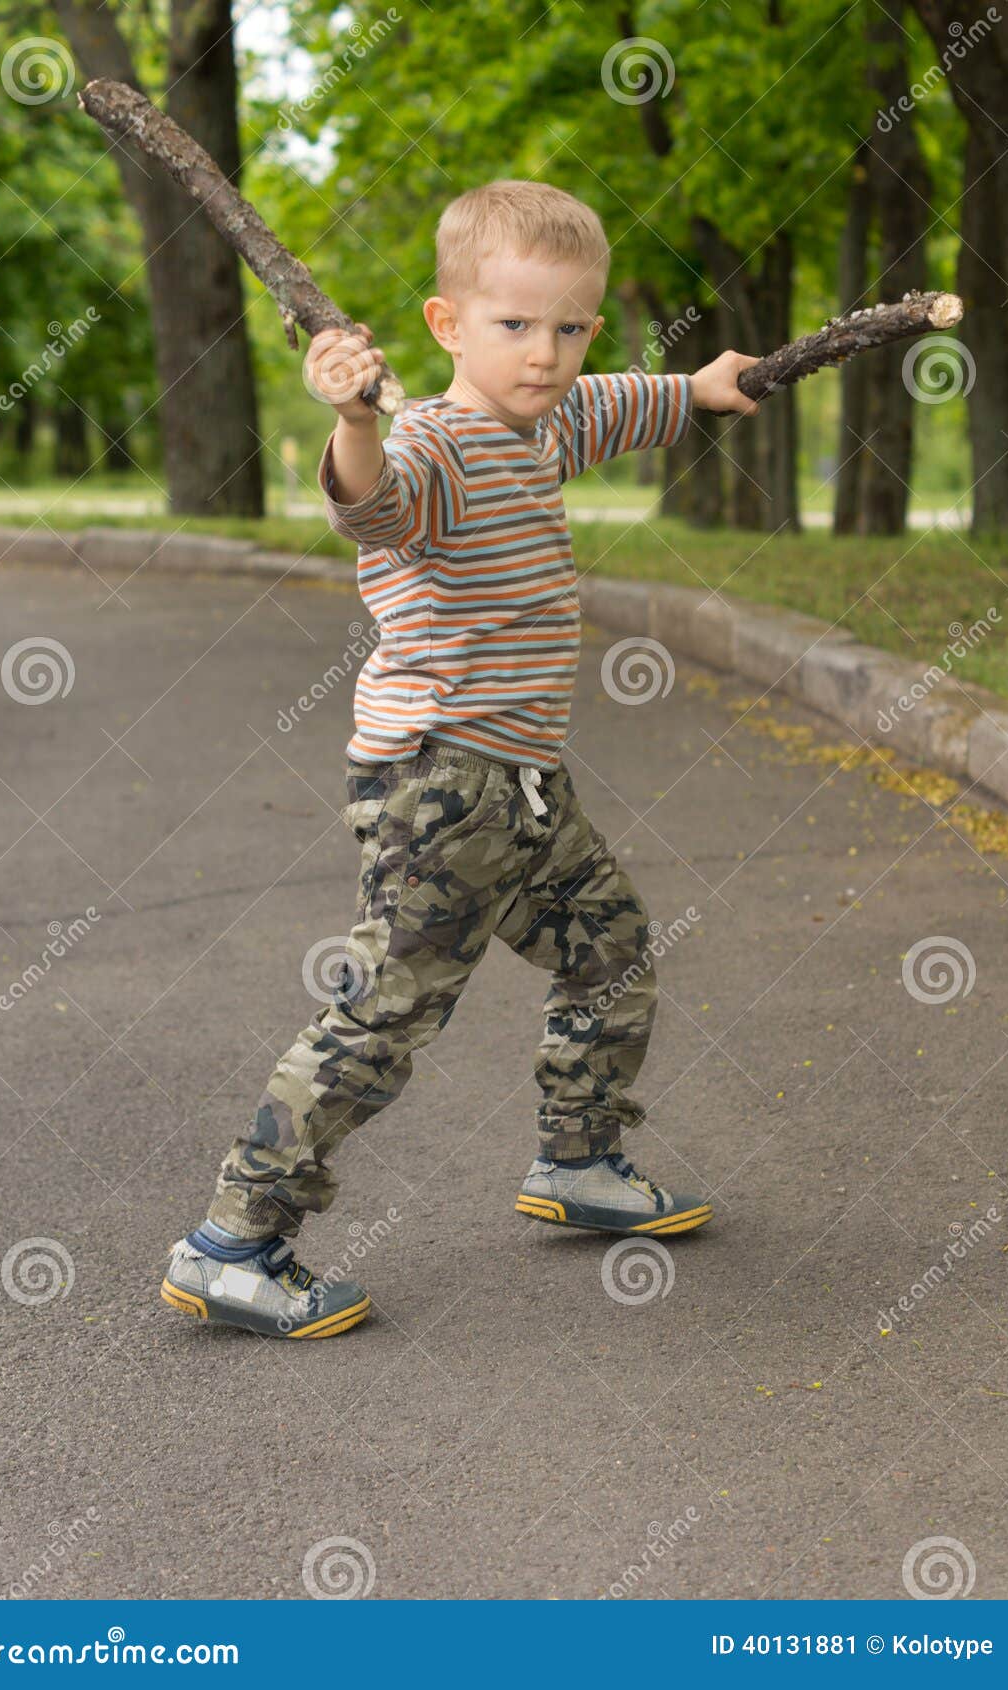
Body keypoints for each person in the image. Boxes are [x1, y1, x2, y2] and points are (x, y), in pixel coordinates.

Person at [161, 180, 759, 1340]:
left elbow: (621, 405)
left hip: (523, 785)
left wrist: (697, 388)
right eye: (514, 326)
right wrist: (349, 418)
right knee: (385, 1014)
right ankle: (233, 1242)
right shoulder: (429, 442)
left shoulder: (547, 419)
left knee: (613, 949)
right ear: (447, 325)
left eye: (570, 326)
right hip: (441, 787)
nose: (545, 353)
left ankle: (578, 1161)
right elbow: (373, 506)